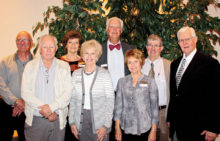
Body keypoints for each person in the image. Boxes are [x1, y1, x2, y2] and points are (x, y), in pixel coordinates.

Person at [167, 26, 220, 141]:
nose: (184, 43)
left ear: (195, 40)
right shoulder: (175, 64)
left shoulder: (209, 63)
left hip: (198, 129)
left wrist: (213, 127)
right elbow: (174, 94)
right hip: (177, 127)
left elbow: (216, 96)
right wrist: (170, 118)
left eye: (188, 39)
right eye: (181, 40)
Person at [21, 35, 73, 141]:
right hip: (36, 121)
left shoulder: (64, 66)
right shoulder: (30, 66)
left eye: (51, 47)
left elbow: (68, 92)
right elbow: (25, 92)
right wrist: (47, 110)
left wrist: (52, 107)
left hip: (57, 120)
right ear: (40, 49)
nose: (48, 50)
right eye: (45, 47)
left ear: (56, 48)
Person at [69, 39, 115, 141]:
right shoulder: (76, 74)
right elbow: (72, 99)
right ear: (82, 55)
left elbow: (110, 100)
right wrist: (72, 122)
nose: (89, 57)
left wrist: (106, 125)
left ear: (97, 55)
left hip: (100, 121)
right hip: (80, 120)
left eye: (92, 53)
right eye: (86, 53)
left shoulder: (104, 74)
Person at [97, 16, 133, 141]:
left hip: (125, 97)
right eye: (112, 26)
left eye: (117, 27)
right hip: (105, 97)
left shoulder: (130, 49)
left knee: (125, 131)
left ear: (121, 31)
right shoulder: (98, 50)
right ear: (107, 29)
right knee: (107, 132)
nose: (114, 29)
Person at [114, 49, 159, 141]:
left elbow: (154, 109)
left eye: (136, 61)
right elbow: (118, 107)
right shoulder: (122, 82)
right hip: (125, 128)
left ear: (141, 62)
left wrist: (153, 131)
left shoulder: (150, 81)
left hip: (144, 128)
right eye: (130, 62)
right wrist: (117, 128)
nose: (133, 65)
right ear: (127, 65)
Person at [0, 31, 33, 141]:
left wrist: (24, 103)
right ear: (16, 42)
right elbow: (1, 84)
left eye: (25, 40)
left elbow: (39, 87)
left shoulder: (38, 63)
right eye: (19, 40)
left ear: (30, 43)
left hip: (29, 109)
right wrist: (16, 101)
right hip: (7, 108)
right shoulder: (5, 62)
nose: (22, 42)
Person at [141, 34, 171, 141]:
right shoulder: (139, 64)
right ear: (146, 47)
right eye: (150, 45)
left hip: (162, 113)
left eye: (156, 46)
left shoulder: (169, 66)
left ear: (161, 48)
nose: (153, 49)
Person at [61, 30, 85, 141]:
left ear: (80, 46)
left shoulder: (84, 62)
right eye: (70, 42)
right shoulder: (59, 62)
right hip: (63, 106)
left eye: (76, 43)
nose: (73, 45)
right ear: (66, 45)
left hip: (80, 106)